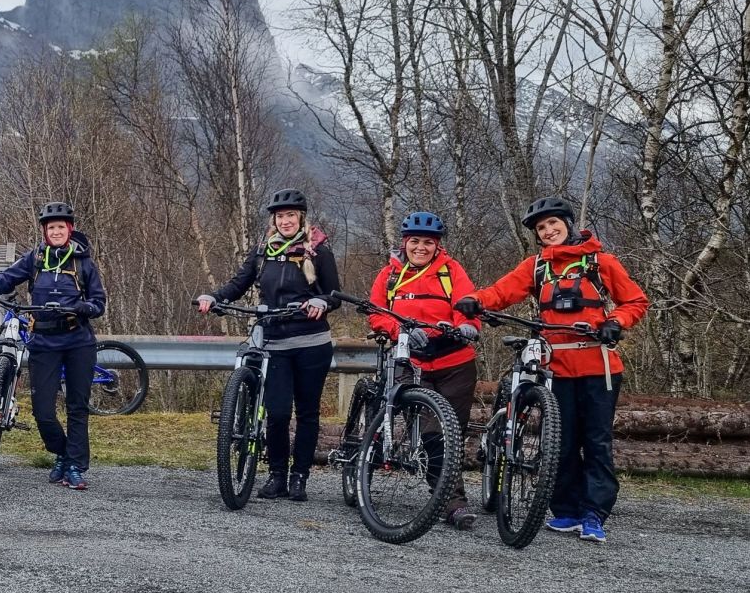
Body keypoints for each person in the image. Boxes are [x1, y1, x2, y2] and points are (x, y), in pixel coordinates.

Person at [456, 197, 647, 543]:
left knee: (597, 441)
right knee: (561, 441)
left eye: (553, 223)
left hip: (597, 365)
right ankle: (567, 511)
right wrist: (476, 301)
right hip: (555, 367)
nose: (548, 231)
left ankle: (594, 513)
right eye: (542, 228)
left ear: (568, 223)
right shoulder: (536, 267)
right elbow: (502, 291)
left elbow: (634, 300)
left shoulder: (600, 262)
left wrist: (616, 323)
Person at [0, 202, 108, 491]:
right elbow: (5, 279)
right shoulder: (35, 259)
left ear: (69, 230)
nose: (56, 231)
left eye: (61, 227)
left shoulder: (84, 263)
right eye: (51, 227)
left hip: (78, 341)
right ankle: (61, 452)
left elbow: (99, 303)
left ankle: (74, 466)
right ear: (45, 231)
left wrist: (79, 308)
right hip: (44, 341)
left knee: (77, 407)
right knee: (42, 411)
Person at [196, 188, 341, 502]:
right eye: (280, 216)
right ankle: (277, 476)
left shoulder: (318, 248)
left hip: (311, 341)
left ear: (300, 217)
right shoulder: (264, 249)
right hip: (274, 342)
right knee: (275, 413)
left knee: (307, 413)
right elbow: (239, 282)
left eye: (291, 215)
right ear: (274, 220)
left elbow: (334, 294)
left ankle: (299, 477)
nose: (285, 220)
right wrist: (215, 297)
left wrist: (321, 301)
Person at [368, 212, 481, 529]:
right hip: (413, 363)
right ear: (405, 243)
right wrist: (398, 331)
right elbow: (376, 313)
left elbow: (467, 303)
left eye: (428, 242)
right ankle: (452, 501)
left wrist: (466, 326)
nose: (420, 247)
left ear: (437, 245)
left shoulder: (451, 271)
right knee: (433, 433)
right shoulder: (390, 275)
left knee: (451, 434)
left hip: (455, 363)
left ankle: (451, 500)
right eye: (415, 241)